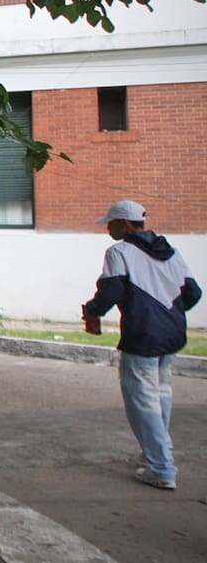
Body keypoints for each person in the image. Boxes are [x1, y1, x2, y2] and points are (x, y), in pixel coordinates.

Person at [83, 200, 201, 491]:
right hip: (172, 334)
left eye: (110, 224)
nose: (107, 229)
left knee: (142, 401)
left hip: (142, 334)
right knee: (161, 392)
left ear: (124, 224)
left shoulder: (119, 252)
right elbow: (193, 293)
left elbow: (110, 292)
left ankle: (161, 467)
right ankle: (158, 452)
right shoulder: (171, 252)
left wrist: (93, 311)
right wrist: (168, 312)